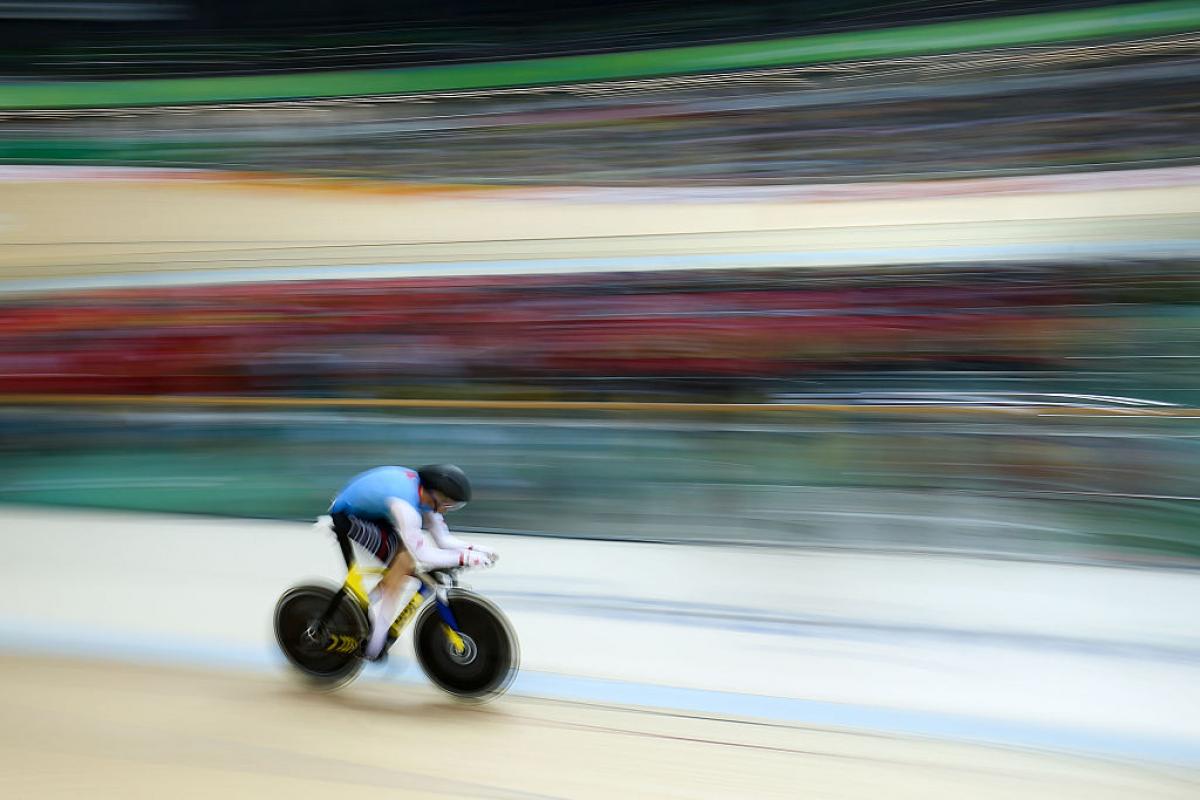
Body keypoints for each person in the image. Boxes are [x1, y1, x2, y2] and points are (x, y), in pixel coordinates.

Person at [326, 463, 497, 661]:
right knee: (403, 562)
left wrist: (476, 549)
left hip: (371, 515)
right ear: (435, 494)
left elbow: (444, 540)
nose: (447, 510)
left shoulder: (426, 497)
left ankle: (361, 608)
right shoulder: (405, 505)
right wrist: (463, 558)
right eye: (448, 504)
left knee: (402, 565)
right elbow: (423, 554)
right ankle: (375, 643)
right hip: (346, 515)